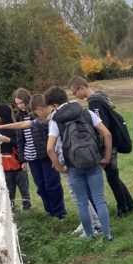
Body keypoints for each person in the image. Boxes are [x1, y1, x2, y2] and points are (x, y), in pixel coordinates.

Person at [45, 85, 114, 241]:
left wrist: (60, 167)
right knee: (99, 199)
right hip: (93, 161)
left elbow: (50, 148)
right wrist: (107, 157)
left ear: (54, 105)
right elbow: (107, 134)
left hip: (73, 166)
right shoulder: (86, 112)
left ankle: (89, 235)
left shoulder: (55, 121)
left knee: (82, 203)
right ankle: (107, 234)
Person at [68, 76, 133, 217]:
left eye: (75, 92)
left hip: (108, 144)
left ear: (82, 87)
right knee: (114, 176)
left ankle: (123, 209)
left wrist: (102, 148)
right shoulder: (100, 95)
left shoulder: (94, 102)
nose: (75, 96)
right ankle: (130, 205)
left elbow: (102, 125)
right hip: (113, 141)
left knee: (112, 177)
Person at [0, 93, 67, 219]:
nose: (20, 106)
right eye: (17, 104)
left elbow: (49, 135)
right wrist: (22, 158)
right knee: (41, 187)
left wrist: (53, 155)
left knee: (52, 185)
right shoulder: (19, 116)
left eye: (22, 102)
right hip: (31, 157)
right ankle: (50, 212)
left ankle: (59, 213)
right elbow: (20, 137)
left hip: (46, 155)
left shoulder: (42, 117)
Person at [0, 103, 31, 210]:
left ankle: (28, 210)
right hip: (5, 166)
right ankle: (12, 212)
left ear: (3, 113)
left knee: (24, 190)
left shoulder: (15, 127)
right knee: (9, 191)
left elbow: (21, 144)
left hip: (18, 165)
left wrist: (8, 140)